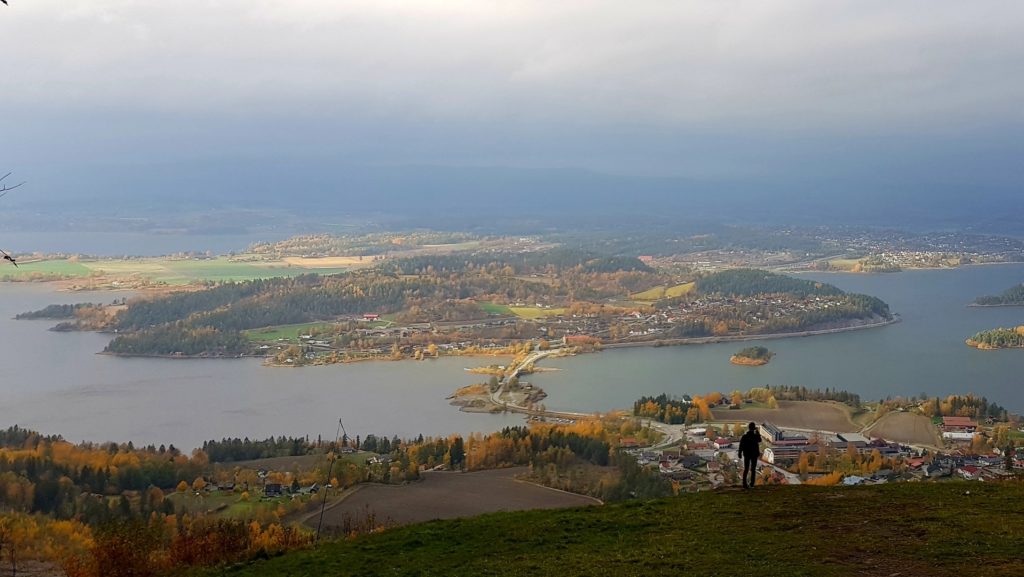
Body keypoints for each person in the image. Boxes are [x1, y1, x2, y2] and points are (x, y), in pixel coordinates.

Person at [737, 422, 762, 488]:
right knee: (753, 469)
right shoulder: (755, 436)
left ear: (748, 428)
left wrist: (740, 453)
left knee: (746, 469)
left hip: (747, 454)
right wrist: (757, 432)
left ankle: (744, 484)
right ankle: (752, 484)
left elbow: (741, 445)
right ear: (753, 428)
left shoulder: (745, 436)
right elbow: (760, 440)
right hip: (754, 454)